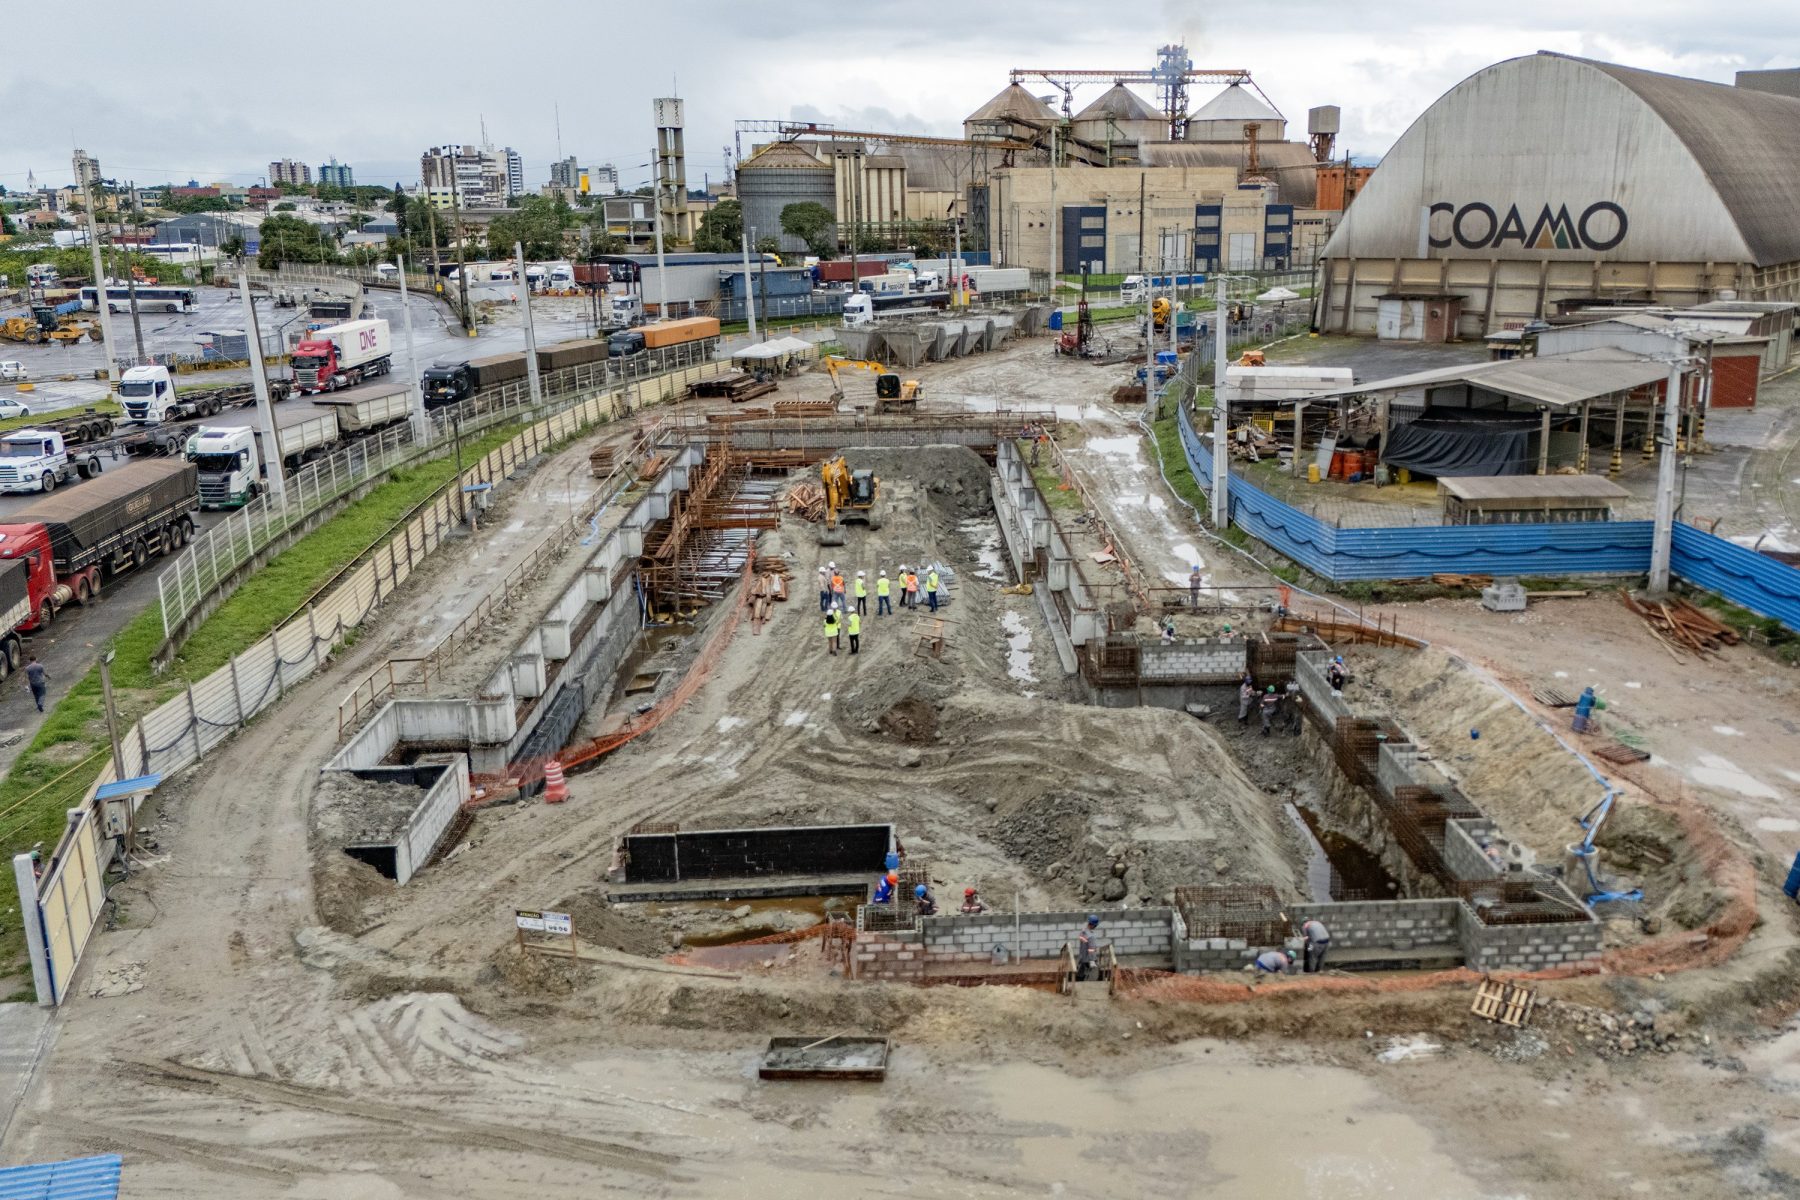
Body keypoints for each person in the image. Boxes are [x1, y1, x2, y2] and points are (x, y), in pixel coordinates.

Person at [1074, 915, 1100, 981]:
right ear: (1093, 925)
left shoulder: (1083, 932)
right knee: (1090, 973)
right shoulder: (1091, 936)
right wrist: (1092, 960)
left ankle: (1078, 980)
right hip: (1088, 959)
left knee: (1080, 972)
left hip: (1082, 956)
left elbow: (1083, 943)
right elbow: (1091, 950)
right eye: (1095, 925)